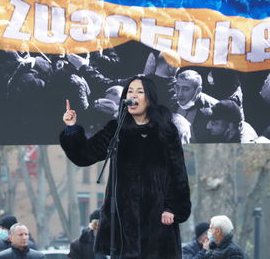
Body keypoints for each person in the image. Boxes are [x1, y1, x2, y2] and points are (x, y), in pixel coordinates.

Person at [60, 75, 191, 259]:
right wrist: (72, 128)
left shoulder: (165, 130)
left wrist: (173, 208)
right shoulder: (117, 129)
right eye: (129, 91)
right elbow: (85, 155)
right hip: (123, 221)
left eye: (139, 92)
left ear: (150, 97)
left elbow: (178, 173)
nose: (133, 95)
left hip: (158, 219)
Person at [173, 70, 218, 142]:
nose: (179, 94)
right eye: (177, 88)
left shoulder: (215, 108)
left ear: (198, 90)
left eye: (185, 89)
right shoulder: (171, 103)